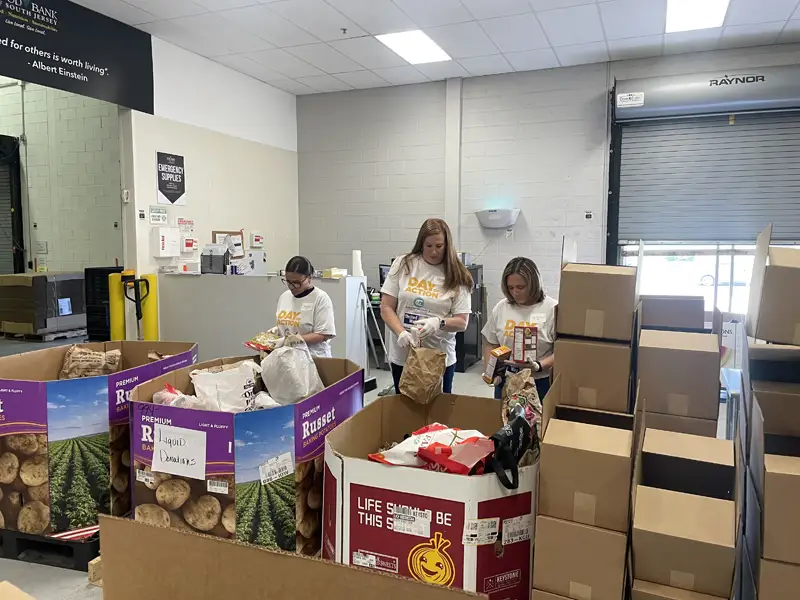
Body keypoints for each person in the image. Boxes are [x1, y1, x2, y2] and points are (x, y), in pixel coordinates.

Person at [380, 218, 473, 394]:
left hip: (438, 357)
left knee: (438, 413)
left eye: (439, 246)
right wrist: (401, 332)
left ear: (447, 244)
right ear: (421, 243)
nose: (433, 252)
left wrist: (439, 323)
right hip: (405, 354)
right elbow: (386, 307)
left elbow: (462, 322)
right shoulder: (404, 263)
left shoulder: (458, 275)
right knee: (405, 408)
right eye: (428, 245)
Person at [482, 257, 557, 400]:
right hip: (506, 380)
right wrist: (490, 371)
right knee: (503, 421)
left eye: (520, 287)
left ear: (533, 284)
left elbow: (563, 351)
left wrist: (538, 366)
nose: (515, 292)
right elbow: (490, 342)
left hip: (539, 382)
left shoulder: (552, 309)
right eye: (510, 288)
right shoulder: (502, 308)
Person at [271, 256, 336, 358]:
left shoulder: (320, 298)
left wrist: (292, 340)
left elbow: (324, 334)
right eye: (288, 282)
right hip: (289, 359)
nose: (292, 287)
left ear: (309, 278)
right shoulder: (285, 296)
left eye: (297, 283)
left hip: (313, 358)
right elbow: (290, 324)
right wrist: (277, 330)